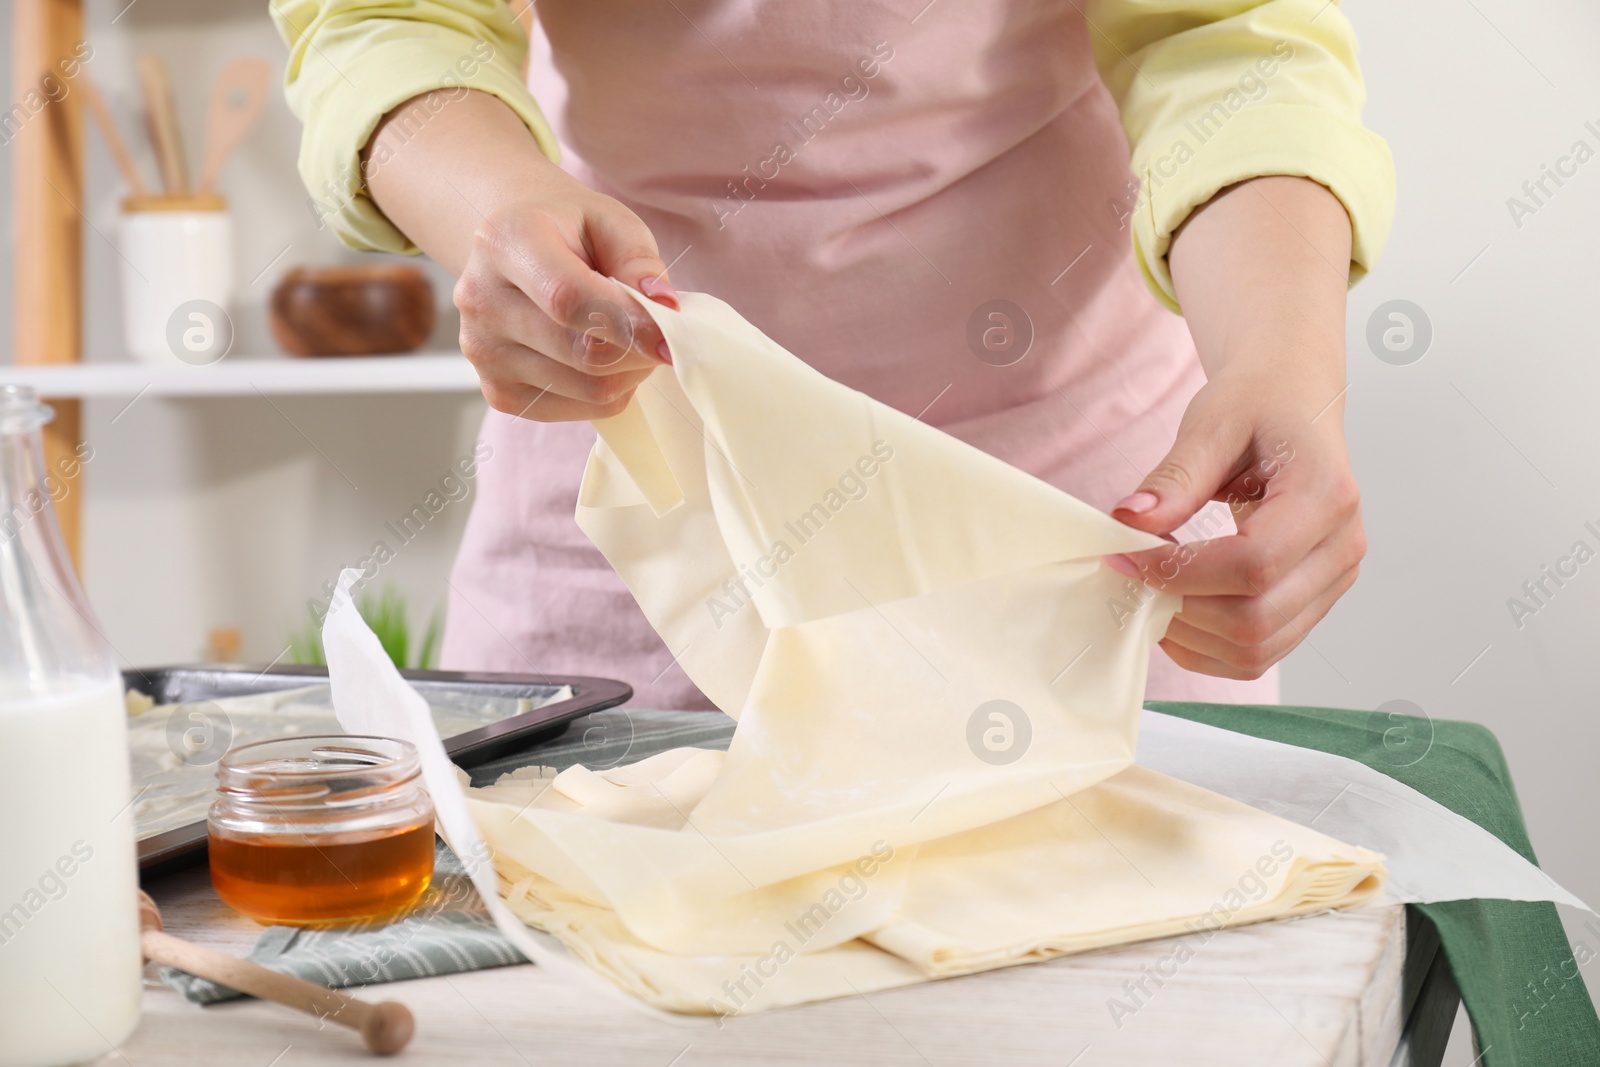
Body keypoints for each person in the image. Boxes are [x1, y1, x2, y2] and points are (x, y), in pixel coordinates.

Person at [272, 0, 1392, 708]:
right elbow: (384, 20)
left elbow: (1223, 40)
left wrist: (1279, 362)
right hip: (640, 507)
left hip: (1072, 526)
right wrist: (504, 207)